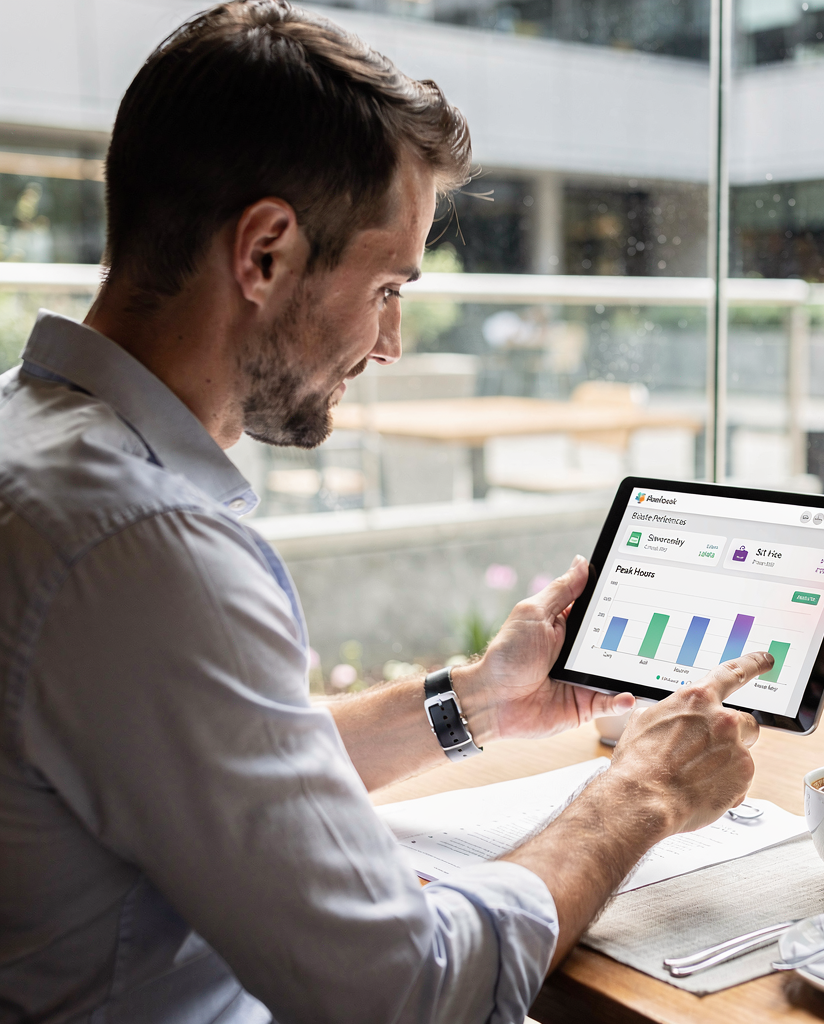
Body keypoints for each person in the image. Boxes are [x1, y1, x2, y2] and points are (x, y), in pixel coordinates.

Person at [0, 3, 767, 1021]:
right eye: (388, 286)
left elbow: (216, 766)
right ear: (264, 252)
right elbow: (408, 990)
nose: (391, 343)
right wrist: (644, 792)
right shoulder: (143, 547)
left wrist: (477, 700)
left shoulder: (33, 445)